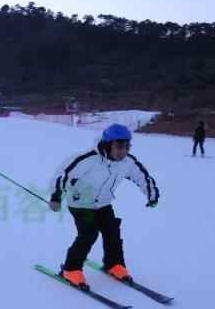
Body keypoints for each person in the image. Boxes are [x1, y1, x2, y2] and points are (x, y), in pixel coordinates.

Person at [48, 124, 159, 289]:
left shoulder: (127, 162)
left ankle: (114, 264)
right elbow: (63, 174)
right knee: (89, 233)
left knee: (112, 231)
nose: (124, 151)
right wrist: (56, 196)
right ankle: (71, 269)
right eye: (119, 146)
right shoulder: (87, 159)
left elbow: (143, 177)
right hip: (80, 203)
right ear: (108, 145)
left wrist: (152, 195)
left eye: (127, 146)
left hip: (103, 202)